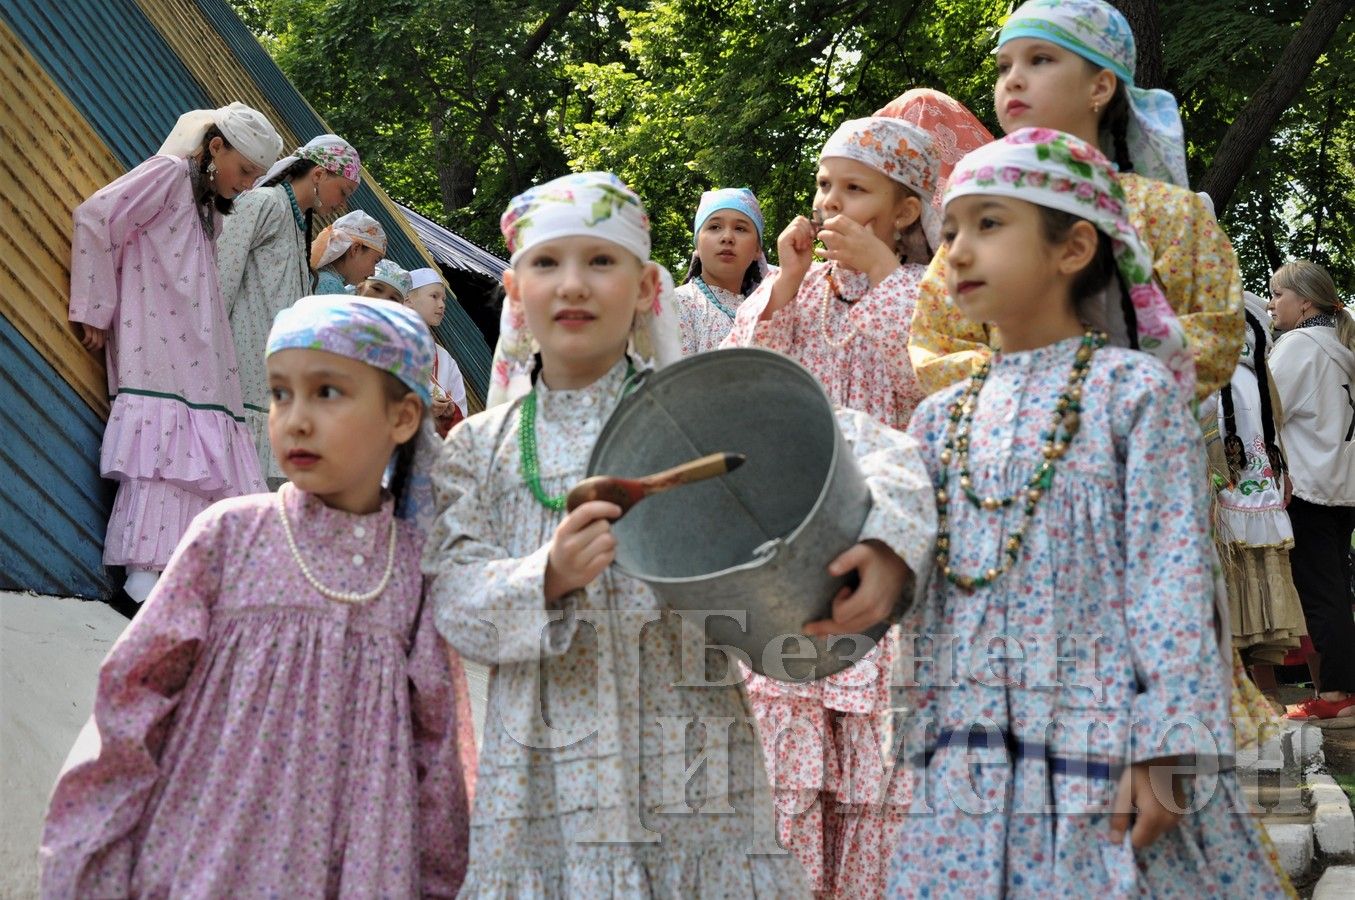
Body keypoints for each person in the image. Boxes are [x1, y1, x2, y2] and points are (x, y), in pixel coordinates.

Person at [422, 171, 937, 896]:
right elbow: (451, 595)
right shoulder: (478, 449)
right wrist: (545, 575)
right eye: (546, 263)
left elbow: (879, 449)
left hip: (689, 744)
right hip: (544, 768)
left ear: (644, 288)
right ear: (514, 292)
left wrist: (885, 544)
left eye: (600, 261)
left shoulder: (704, 408)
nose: (572, 284)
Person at [886, 127, 1284, 896]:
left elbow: (1173, 582)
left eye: (988, 224)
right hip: (969, 775)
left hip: (1106, 761)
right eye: (950, 229)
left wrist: (1169, 739)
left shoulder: (1133, 398)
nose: (956, 251)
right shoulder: (936, 422)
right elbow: (918, 588)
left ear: (1072, 249)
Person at [40, 297, 478, 897]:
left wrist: (436, 881)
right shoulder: (228, 535)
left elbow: (438, 757)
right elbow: (133, 697)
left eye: (327, 392)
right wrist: (90, 847)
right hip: (205, 848)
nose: (294, 418)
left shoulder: (412, 576)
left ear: (402, 418)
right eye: (279, 393)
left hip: (354, 863)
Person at [719, 115, 956, 898]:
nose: (828, 202)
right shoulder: (796, 292)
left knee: (878, 770)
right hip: (794, 559)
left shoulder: (934, 291)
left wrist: (889, 275)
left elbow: (933, 385)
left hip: (884, 555)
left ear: (903, 210)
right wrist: (781, 284)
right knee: (786, 754)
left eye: (854, 188)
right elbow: (740, 388)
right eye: (823, 184)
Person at [907, 0, 1244, 404]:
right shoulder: (979, 213)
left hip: (1137, 447)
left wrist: (1104, 388)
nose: (1013, 79)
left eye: (1040, 59)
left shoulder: (1169, 211)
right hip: (1010, 441)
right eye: (1004, 66)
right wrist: (1032, 381)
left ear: (1100, 86)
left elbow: (1216, 330)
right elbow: (937, 340)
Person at [68, 102, 282, 603]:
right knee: (164, 455)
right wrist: (95, 306)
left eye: (255, 175)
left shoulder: (207, 202)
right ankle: (143, 579)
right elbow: (97, 217)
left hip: (201, 346)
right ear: (215, 148)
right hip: (158, 339)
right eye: (245, 170)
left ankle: (183, 579)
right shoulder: (167, 174)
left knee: (198, 460)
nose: (249, 184)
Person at [218, 133, 362, 486]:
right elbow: (223, 273)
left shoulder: (297, 227)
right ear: (318, 175)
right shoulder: (265, 202)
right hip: (240, 370)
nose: (340, 203)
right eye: (341, 191)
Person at [1200, 292, 1305, 698]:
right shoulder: (1257, 368)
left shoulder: (1220, 370)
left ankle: (1254, 701)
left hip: (1232, 481)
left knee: (1235, 587)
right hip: (1250, 477)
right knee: (1251, 589)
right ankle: (1264, 700)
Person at [1266, 260, 1355, 721]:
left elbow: (1265, 409)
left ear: (1305, 301)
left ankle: (1338, 697)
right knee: (1334, 589)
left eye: (1278, 294)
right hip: (1341, 486)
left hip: (1309, 487)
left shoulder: (1299, 346)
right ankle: (1337, 691)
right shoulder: (1341, 347)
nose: (1270, 303)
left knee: (1320, 593)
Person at [672, 187, 769, 354]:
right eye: (715, 227)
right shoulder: (678, 303)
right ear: (697, 244)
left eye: (740, 229)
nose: (727, 237)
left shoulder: (767, 310)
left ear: (757, 250)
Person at [406, 267, 468, 435]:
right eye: (434, 296)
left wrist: (448, 413)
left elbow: (460, 414)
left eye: (443, 299)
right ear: (408, 299)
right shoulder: (392, 343)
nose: (441, 305)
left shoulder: (445, 358)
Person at [311, 209, 386, 293]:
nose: (373, 273)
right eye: (375, 261)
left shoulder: (318, 275)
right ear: (356, 248)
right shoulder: (330, 286)